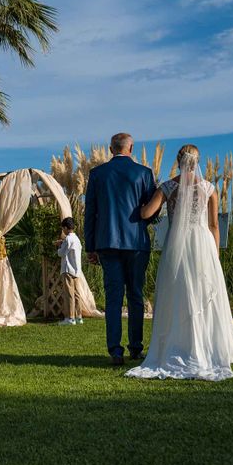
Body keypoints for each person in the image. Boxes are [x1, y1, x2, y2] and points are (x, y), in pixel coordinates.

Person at [125, 145, 233, 381]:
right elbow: (213, 226)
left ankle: (178, 344)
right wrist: (215, 252)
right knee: (202, 294)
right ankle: (208, 346)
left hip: (176, 246)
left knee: (177, 292)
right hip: (203, 245)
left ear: (178, 161)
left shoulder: (168, 187)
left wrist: (136, 204)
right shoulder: (209, 188)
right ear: (198, 161)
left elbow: (146, 213)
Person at [84, 133, 156, 365]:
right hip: (136, 243)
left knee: (113, 298)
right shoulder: (144, 173)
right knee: (136, 295)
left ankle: (115, 350)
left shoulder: (97, 174)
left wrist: (90, 246)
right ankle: (136, 348)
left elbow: (90, 212)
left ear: (110, 148)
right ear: (131, 148)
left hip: (107, 242)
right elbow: (151, 211)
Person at [56, 217, 83, 326]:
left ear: (66, 228)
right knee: (77, 294)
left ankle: (70, 318)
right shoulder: (76, 239)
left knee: (69, 294)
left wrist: (59, 246)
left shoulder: (68, 239)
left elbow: (61, 253)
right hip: (76, 269)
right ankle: (79, 317)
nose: (63, 230)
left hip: (68, 269)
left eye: (63, 228)